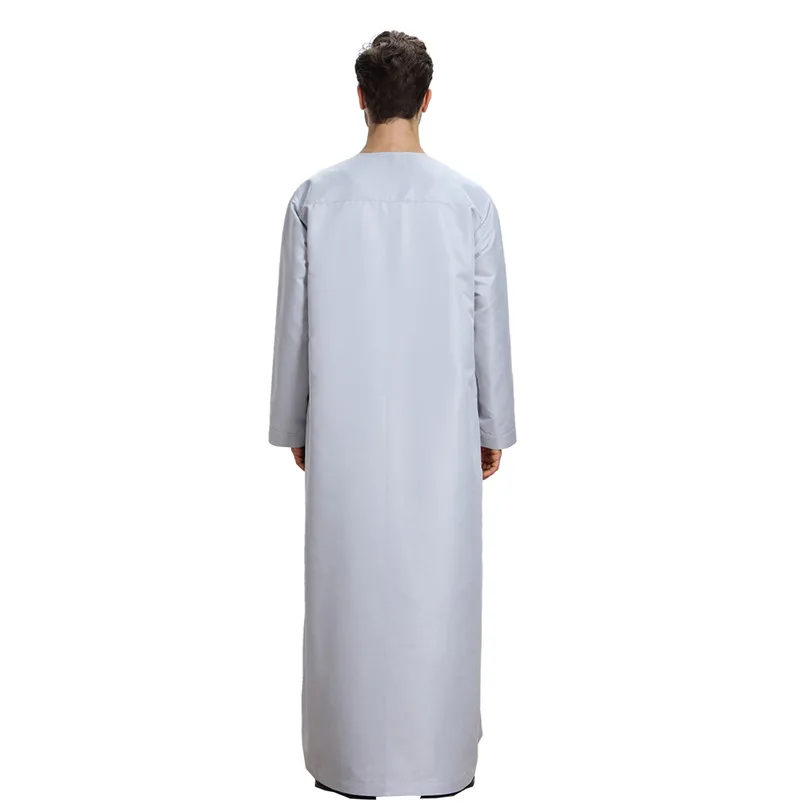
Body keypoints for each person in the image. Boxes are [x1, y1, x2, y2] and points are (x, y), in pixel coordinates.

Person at [268, 30, 516, 799]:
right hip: (440, 441)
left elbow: (295, 327)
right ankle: (438, 763)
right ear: (428, 99)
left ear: (361, 97)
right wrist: (493, 428)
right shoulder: (468, 203)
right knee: (437, 598)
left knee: (346, 596)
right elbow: (488, 325)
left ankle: (348, 765)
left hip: (344, 436)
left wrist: (294, 425)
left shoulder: (314, 199)